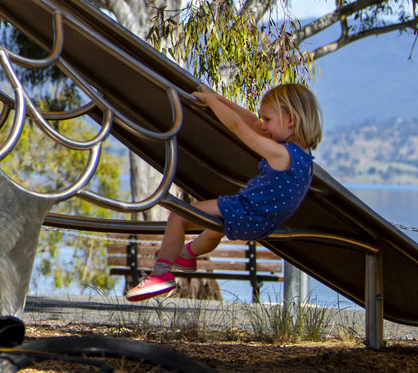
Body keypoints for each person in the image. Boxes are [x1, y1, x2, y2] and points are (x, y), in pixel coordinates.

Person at [127, 83, 323, 302]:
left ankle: (160, 275)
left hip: (246, 210)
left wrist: (210, 102)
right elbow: (252, 122)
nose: (263, 125)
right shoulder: (303, 158)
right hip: (264, 222)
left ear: (290, 120)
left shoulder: (280, 154)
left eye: (268, 120)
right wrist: (217, 98)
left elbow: (239, 127)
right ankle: (187, 255)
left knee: (178, 217)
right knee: (214, 229)